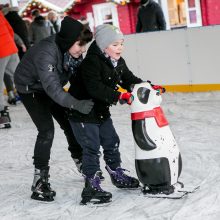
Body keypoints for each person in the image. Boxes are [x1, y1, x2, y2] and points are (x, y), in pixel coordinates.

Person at [14, 16, 94, 202]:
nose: (82, 50)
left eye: (84, 46)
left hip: (48, 85)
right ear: (68, 41)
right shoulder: (46, 53)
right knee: (46, 130)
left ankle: (81, 162)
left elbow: (78, 77)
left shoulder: (71, 51)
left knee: (68, 121)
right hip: (30, 88)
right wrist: (76, 103)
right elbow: (54, 90)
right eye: (80, 45)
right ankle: (39, 180)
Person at [68, 24, 143, 205]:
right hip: (82, 112)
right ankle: (91, 187)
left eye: (121, 44)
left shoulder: (117, 61)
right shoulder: (91, 63)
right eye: (115, 44)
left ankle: (116, 174)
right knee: (92, 148)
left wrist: (144, 86)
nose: (120, 48)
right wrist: (120, 95)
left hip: (100, 111)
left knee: (111, 141)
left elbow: (129, 78)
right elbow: (95, 88)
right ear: (103, 46)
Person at [0, 10, 19, 129]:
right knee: (21, 76)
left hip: (1, 51)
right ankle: (44, 97)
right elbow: (10, 29)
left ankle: (2, 114)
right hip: (11, 47)